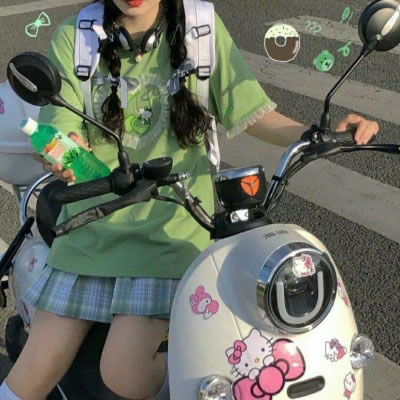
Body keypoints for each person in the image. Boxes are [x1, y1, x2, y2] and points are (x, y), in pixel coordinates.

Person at [0, 0, 379, 399]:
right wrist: (64, 151)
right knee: (31, 374)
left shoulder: (201, 28)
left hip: (171, 231)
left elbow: (249, 109)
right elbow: (59, 129)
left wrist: (315, 134)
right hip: (90, 230)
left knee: (124, 372)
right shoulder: (76, 36)